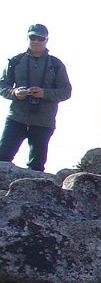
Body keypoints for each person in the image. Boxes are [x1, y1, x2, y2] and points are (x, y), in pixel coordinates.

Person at [0, 24, 72, 172]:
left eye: (40, 38)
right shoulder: (15, 61)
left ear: (47, 40)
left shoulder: (56, 64)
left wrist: (44, 93)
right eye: (33, 37)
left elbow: (66, 92)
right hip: (16, 118)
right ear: (27, 38)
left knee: (37, 166)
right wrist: (14, 93)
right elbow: (2, 85)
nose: (36, 41)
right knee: (2, 158)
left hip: (43, 122)